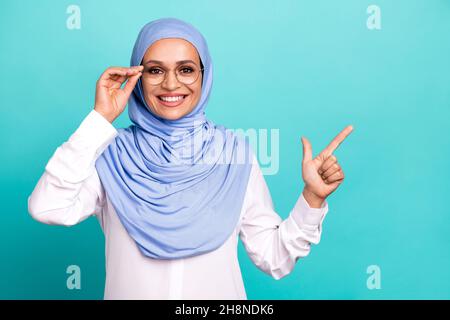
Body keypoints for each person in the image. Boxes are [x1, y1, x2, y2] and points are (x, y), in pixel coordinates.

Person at [28, 17, 352, 299]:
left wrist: (311, 198)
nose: (171, 84)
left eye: (185, 69)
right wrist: (99, 120)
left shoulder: (233, 153)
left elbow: (273, 258)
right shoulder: (110, 153)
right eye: (155, 70)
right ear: (137, 78)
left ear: (203, 75)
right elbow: (48, 207)